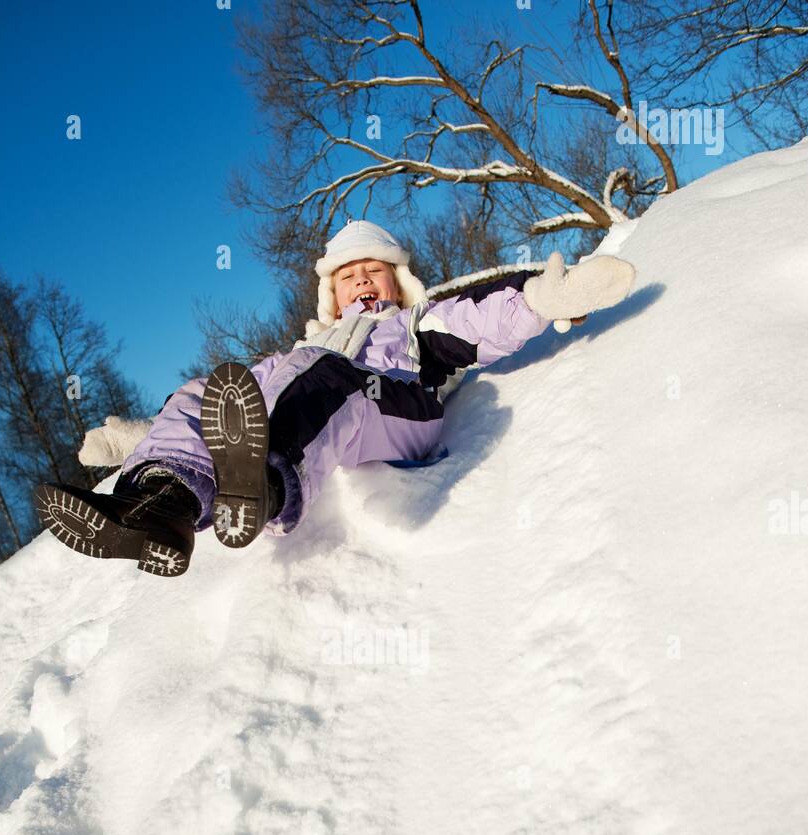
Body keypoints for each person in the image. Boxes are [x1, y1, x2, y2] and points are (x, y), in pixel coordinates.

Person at [34, 220, 635, 577]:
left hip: (397, 406)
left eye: (376, 272)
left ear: (398, 283)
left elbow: (482, 321)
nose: (364, 282)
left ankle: (266, 488)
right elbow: (222, 409)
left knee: (327, 378)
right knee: (210, 386)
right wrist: (133, 439)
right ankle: (156, 509)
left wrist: (542, 299)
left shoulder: (416, 323)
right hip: (320, 392)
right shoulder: (300, 351)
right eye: (349, 275)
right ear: (331, 291)